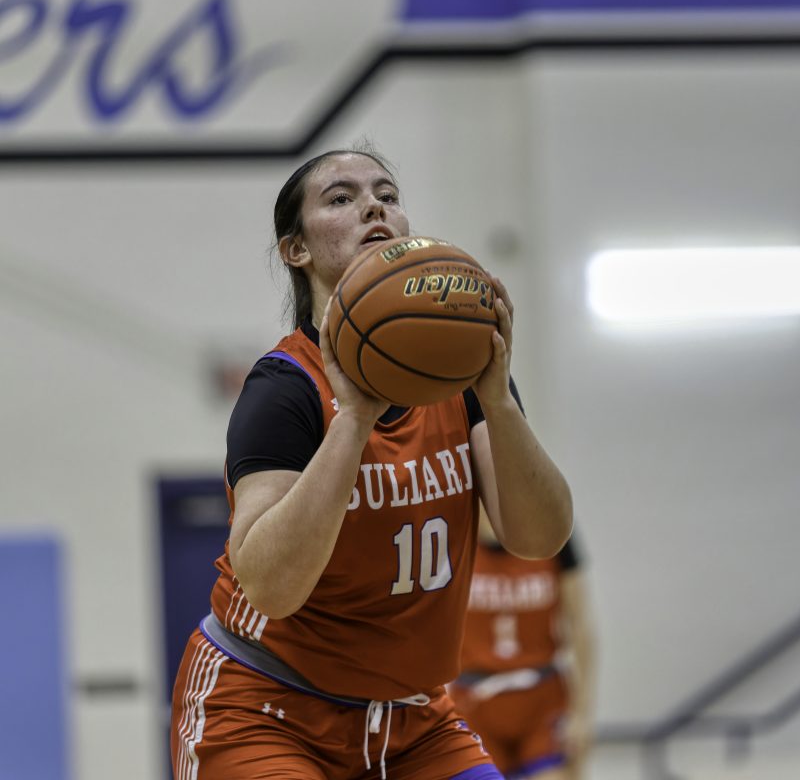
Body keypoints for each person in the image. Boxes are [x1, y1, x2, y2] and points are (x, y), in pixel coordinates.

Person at [171, 146, 573, 780]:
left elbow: (539, 538)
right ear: (296, 250)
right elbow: (271, 588)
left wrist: (498, 399)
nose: (373, 208)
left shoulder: (459, 373)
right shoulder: (285, 387)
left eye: (387, 195)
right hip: (264, 707)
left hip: (412, 720)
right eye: (341, 198)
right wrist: (353, 420)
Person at [449, 507, 596, 780]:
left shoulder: (552, 528)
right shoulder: (452, 531)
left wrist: (583, 714)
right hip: (474, 700)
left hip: (540, 698)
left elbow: (580, 624)